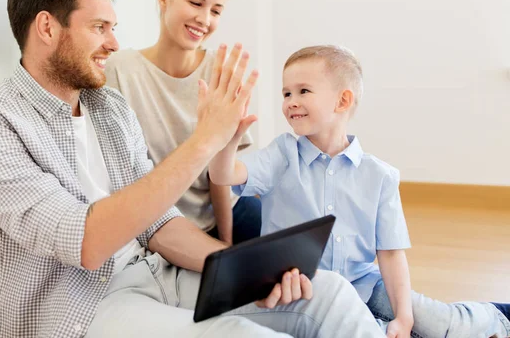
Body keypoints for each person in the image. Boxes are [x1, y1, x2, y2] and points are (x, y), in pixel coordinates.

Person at [0, 0, 387, 338]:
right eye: (99, 27)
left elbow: (157, 221)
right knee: (242, 334)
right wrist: (205, 140)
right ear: (46, 28)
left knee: (328, 291)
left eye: (113, 28)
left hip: (152, 272)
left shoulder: (107, 107)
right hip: (78, 306)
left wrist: (244, 270)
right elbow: (85, 243)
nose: (113, 43)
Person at [209, 45, 510, 338]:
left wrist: (404, 317)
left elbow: (390, 254)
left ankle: (498, 318)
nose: (291, 101)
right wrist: (228, 139)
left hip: (368, 285)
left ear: (342, 101)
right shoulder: (281, 156)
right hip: (310, 295)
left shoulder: (380, 176)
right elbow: (223, 174)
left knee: (444, 325)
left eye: (303, 91)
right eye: (286, 93)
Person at [105, 0, 261, 245]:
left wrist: (225, 244)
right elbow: (121, 181)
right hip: (155, 225)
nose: (204, 19)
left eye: (216, 10)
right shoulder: (118, 72)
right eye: (196, 3)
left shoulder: (220, 71)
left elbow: (219, 176)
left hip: (222, 215)